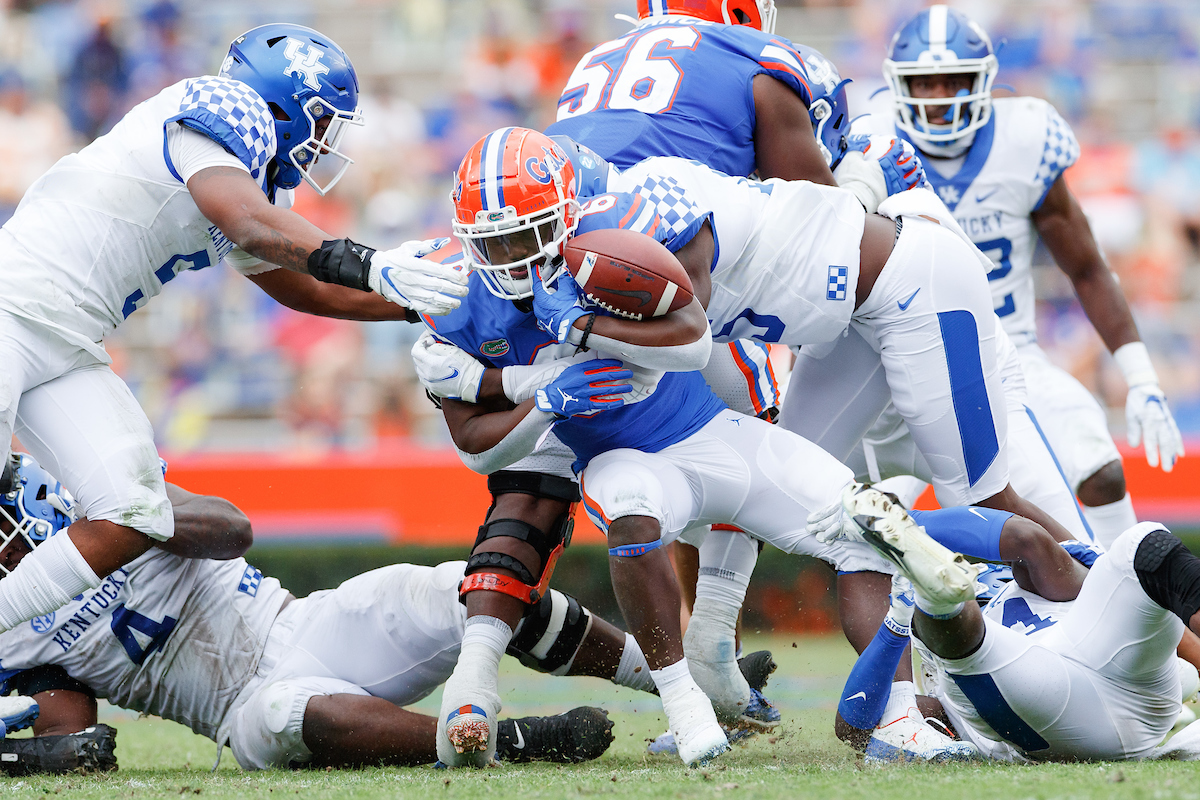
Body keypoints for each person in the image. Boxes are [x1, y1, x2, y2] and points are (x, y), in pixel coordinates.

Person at [416, 127, 1084, 766]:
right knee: (631, 512)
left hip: (710, 429)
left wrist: (582, 326)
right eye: (495, 243)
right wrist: (540, 394)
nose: (515, 258)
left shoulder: (622, 237)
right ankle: (686, 706)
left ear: (575, 210)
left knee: (866, 529)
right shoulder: (457, 297)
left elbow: (689, 339)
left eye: (530, 235)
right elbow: (478, 447)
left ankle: (899, 717)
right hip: (626, 460)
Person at [0, 23, 467, 642]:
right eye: (322, 119)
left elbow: (308, 288)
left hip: (70, 345)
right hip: (11, 307)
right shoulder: (223, 107)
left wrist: (422, 302)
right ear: (282, 98)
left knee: (133, 511)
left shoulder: (251, 179)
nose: (325, 141)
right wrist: (374, 262)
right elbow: (248, 224)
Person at [0, 452, 643, 772]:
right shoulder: (10, 626)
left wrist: (134, 519)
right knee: (287, 713)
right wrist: (41, 753)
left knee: (460, 587)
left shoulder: (93, 482)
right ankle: (511, 742)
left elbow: (232, 529)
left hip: (298, 623)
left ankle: (666, 676)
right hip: (237, 710)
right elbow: (73, 739)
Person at [854, 5, 1184, 547]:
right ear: (898, 86)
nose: (939, 97)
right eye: (924, 83)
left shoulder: (1024, 138)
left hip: (1013, 351)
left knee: (1100, 468)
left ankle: (1140, 597)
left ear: (982, 80)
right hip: (904, 356)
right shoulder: (872, 146)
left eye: (953, 80)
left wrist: (1142, 377)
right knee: (883, 509)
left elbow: (1086, 266)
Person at [835, 483, 1200, 763]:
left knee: (1143, 544)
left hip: (1112, 675)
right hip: (1052, 702)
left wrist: (900, 521)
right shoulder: (942, 697)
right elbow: (856, 729)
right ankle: (937, 598)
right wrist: (897, 622)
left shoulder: (1045, 580)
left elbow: (1028, 540)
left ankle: (935, 596)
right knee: (964, 646)